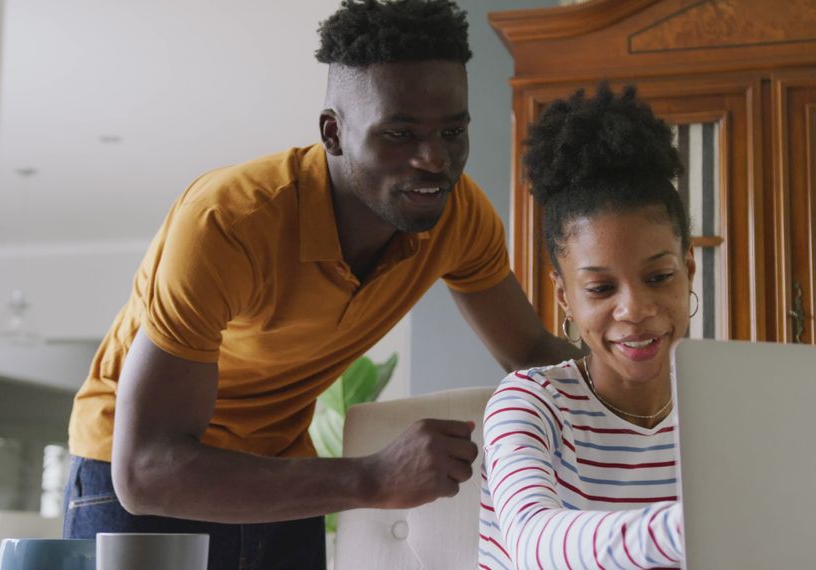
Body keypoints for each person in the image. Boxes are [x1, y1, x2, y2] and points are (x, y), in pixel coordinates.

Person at [62, 1, 580, 568]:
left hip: (279, 469)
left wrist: (634, 376)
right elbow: (146, 471)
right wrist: (371, 478)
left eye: (452, 131)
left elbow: (532, 352)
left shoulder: (459, 218)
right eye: (400, 133)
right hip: (144, 477)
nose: (435, 159)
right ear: (333, 132)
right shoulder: (228, 223)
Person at [478, 84, 693, 569]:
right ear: (565, 297)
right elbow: (533, 542)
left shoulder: (723, 406)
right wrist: (699, 524)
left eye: (659, 277)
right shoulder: (531, 403)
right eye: (600, 288)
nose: (634, 309)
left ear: (689, 272)